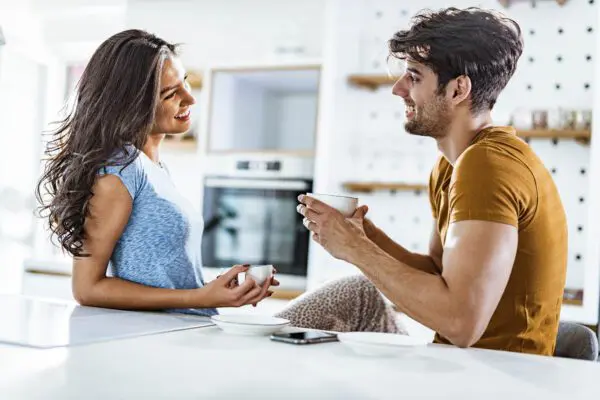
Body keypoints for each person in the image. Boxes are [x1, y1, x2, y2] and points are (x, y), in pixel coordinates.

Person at [294, 7, 568, 356]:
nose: (398, 89)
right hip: (463, 368)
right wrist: (365, 236)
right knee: (353, 299)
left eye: (414, 77)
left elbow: (460, 323)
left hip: (495, 380)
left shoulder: (487, 164)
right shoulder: (452, 165)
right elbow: (439, 274)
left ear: (458, 89)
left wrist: (354, 249)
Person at [36, 30, 275, 316]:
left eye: (184, 82)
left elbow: (166, 275)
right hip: (152, 341)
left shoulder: (154, 167)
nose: (190, 99)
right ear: (131, 103)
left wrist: (218, 291)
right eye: (171, 93)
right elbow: (87, 288)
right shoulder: (118, 170)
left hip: (181, 333)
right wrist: (199, 297)